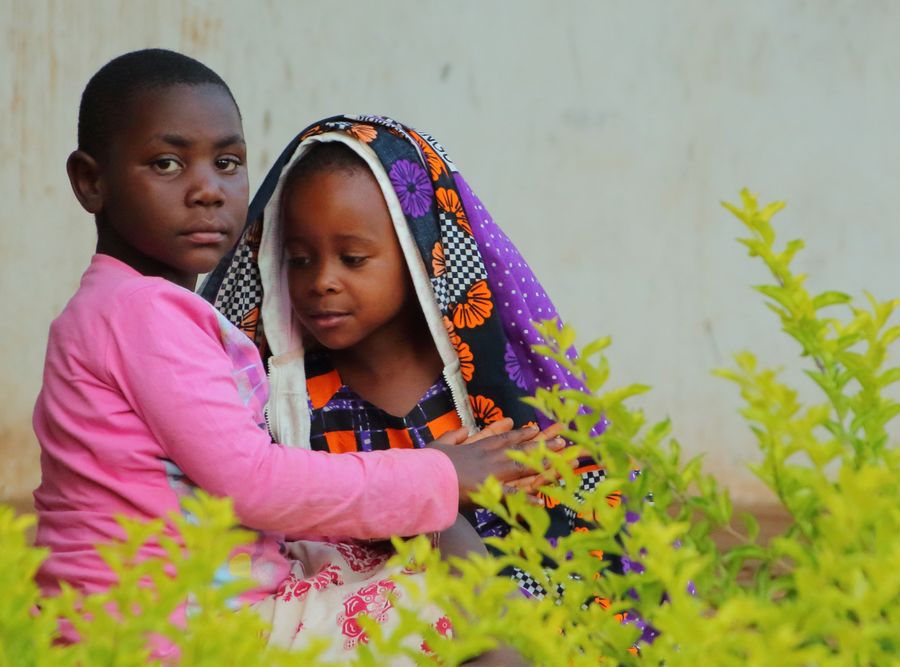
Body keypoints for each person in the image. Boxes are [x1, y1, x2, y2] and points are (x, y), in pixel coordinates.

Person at [32, 49, 552, 663]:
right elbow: (251, 483)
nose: (207, 190)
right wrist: (438, 474)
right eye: (167, 163)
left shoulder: (123, 306)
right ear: (92, 181)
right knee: (480, 614)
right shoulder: (143, 313)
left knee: (411, 549)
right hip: (180, 631)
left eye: (227, 163)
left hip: (171, 605)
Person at [201, 114, 611, 607]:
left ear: (418, 254)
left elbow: (573, 543)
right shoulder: (283, 405)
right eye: (299, 259)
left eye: (353, 258)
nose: (321, 281)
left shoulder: (486, 393)